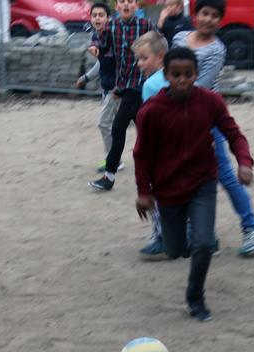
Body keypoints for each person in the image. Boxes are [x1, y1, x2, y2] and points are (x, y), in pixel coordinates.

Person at [133, 47, 254, 322]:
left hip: (203, 182)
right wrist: (144, 192)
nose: (182, 80)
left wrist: (244, 162)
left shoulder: (210, 101)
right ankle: (182, 242)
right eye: (176, 75)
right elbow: (142, 155)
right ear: (166, 76)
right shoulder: (151, 111)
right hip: (167, 188)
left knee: (203, 243)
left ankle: (195, 298)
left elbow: (234, 134)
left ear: (196, 74)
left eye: (188, 74)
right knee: (175, 250)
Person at [168, 0, 254, 257]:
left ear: (220, 21)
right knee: (188, 175)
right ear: (196, 15)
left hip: (206, 118)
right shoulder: (179, 38)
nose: (208, 19)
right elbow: (168, 69)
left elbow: (199, 85)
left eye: (215, 16)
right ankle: (206, 235)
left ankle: (252, 228)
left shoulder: (216, 50)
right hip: (180, 117)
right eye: (205, 13)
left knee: (224, 174)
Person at [88, 0, 156, 192]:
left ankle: (109, 176)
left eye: (130, 1)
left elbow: (162, 46)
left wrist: (154, 64)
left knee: (118, 127)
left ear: (136, 5)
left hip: (141, 84)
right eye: (122, 1)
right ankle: (157, 172)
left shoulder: (146, 25)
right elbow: (101, 44)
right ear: (117, 6)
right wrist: (96, 47)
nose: (126, 4)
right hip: (123, 86)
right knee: (145, 129)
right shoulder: (111, 27)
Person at [132, 31, 169, 258]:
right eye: (138, 58)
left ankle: (161, 236)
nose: (139, 63)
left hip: (160, 150)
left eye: (144, 58)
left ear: (161, 56)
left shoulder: (150, 85)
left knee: (156, 193)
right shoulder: (180, 76)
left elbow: (148, 122)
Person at [75, 2, 123, 174]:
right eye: (94, 15)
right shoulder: (96, 37)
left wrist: (119, 87)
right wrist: (86, 77)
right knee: (119, 124)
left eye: (101, 15)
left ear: (108, 18)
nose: (97, 18)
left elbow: (123, 63)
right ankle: (115, 159)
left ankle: (113, 160)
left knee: (104, 124)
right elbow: (101, 63)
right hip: (109, 89)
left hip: (118, 90)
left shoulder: (114, 36)